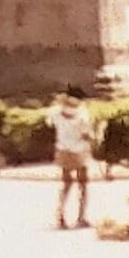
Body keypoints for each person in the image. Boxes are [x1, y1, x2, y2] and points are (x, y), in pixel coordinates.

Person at [50, 90, 95, 229]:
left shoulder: (56, 114)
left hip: (62, 151)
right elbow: (87, 135)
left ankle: (60, 216)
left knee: (66, 184)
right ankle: (81, 217)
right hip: (79, 152)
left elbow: (50, 123)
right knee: (83, 185)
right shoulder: (82, 116)